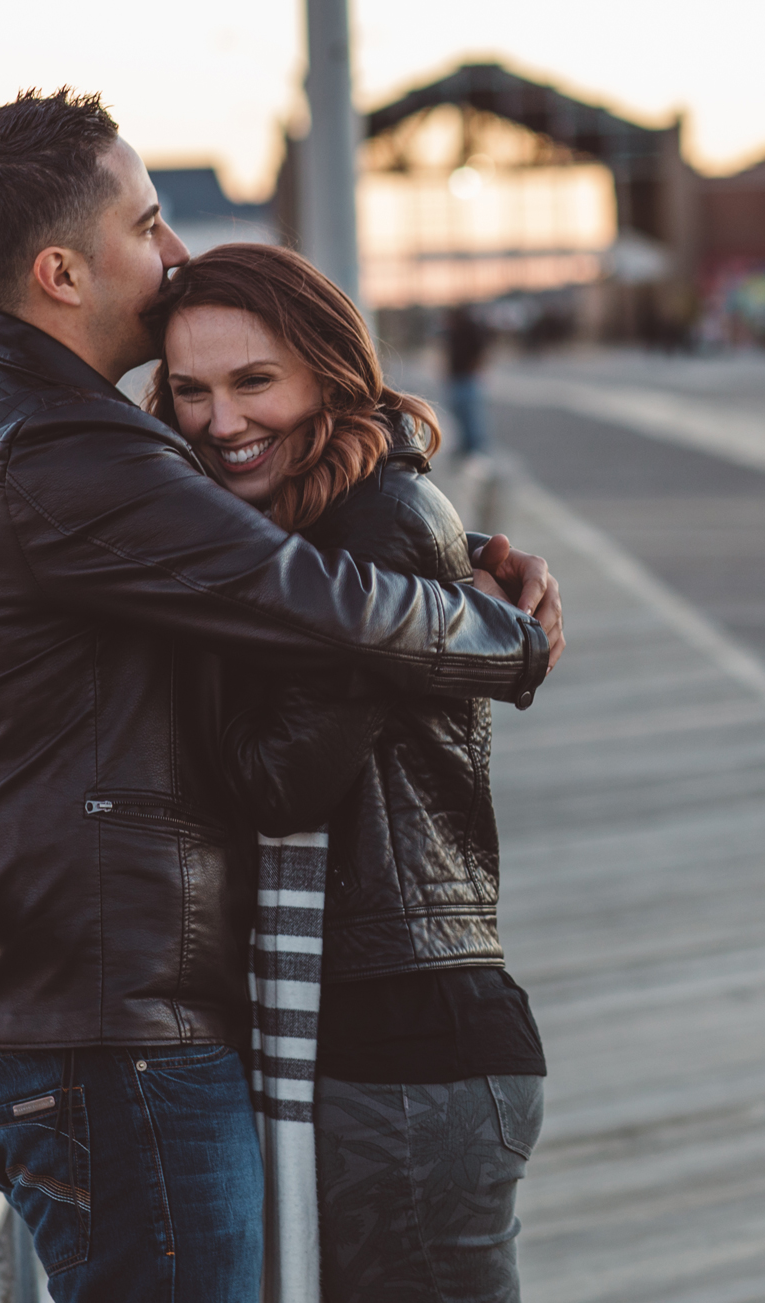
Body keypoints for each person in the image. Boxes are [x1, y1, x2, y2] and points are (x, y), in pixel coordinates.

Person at [0, 89, 564, 1303]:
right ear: (59, 269)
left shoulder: (7, 414)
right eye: (150, 223)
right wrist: (503, 639)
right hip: (109, 1028)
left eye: (253, 383)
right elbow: (291, 590)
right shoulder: (60, 447)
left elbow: (281, 573)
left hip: (112, 1011)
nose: (172, 256)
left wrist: (441, 550)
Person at [148, 244, 545, 1300]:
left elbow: (279, 780)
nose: (220, 420)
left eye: (253, 381)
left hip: (408, 1054)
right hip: (388, 1042)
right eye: (190, 390)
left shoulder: (366, 530)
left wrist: (173, 622)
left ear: (328, 372)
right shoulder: (316, 529)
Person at [442, 305, 492, 457]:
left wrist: (475, 369)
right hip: (458, 377)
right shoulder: (454, 332)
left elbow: (481, 352)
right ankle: (467, 447)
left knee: (470, 415)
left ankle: (475, 450)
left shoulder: (469, 330)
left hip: (467, 378)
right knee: (461, 415)